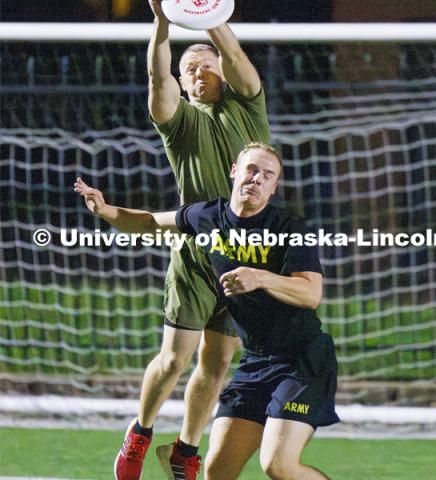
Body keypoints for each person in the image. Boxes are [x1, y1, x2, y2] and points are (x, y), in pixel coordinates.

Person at [74, 142, 339, 480]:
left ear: (274, 187)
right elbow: (151, 222)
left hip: (302, 363)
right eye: (251, 170)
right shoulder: (207, 216)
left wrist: (259, 278)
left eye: (267, 175)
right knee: (216, 471)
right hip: (256, 364)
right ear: (234, 172)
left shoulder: (288, 227)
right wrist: (106, 210)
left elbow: (311, 292)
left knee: (278, 464)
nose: (256, 179)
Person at [109, 0, 271, 478]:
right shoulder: (178, 122)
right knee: (175, 357)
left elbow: (238, 58)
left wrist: (209, 16)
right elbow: (159, 81)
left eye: (205, 62)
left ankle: (185, 449)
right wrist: (163, 21)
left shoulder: (249, 107)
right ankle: (140, 432)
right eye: (189, 67)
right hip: (197, 252)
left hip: (245, 255)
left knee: (217, 361)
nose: (198, 69)